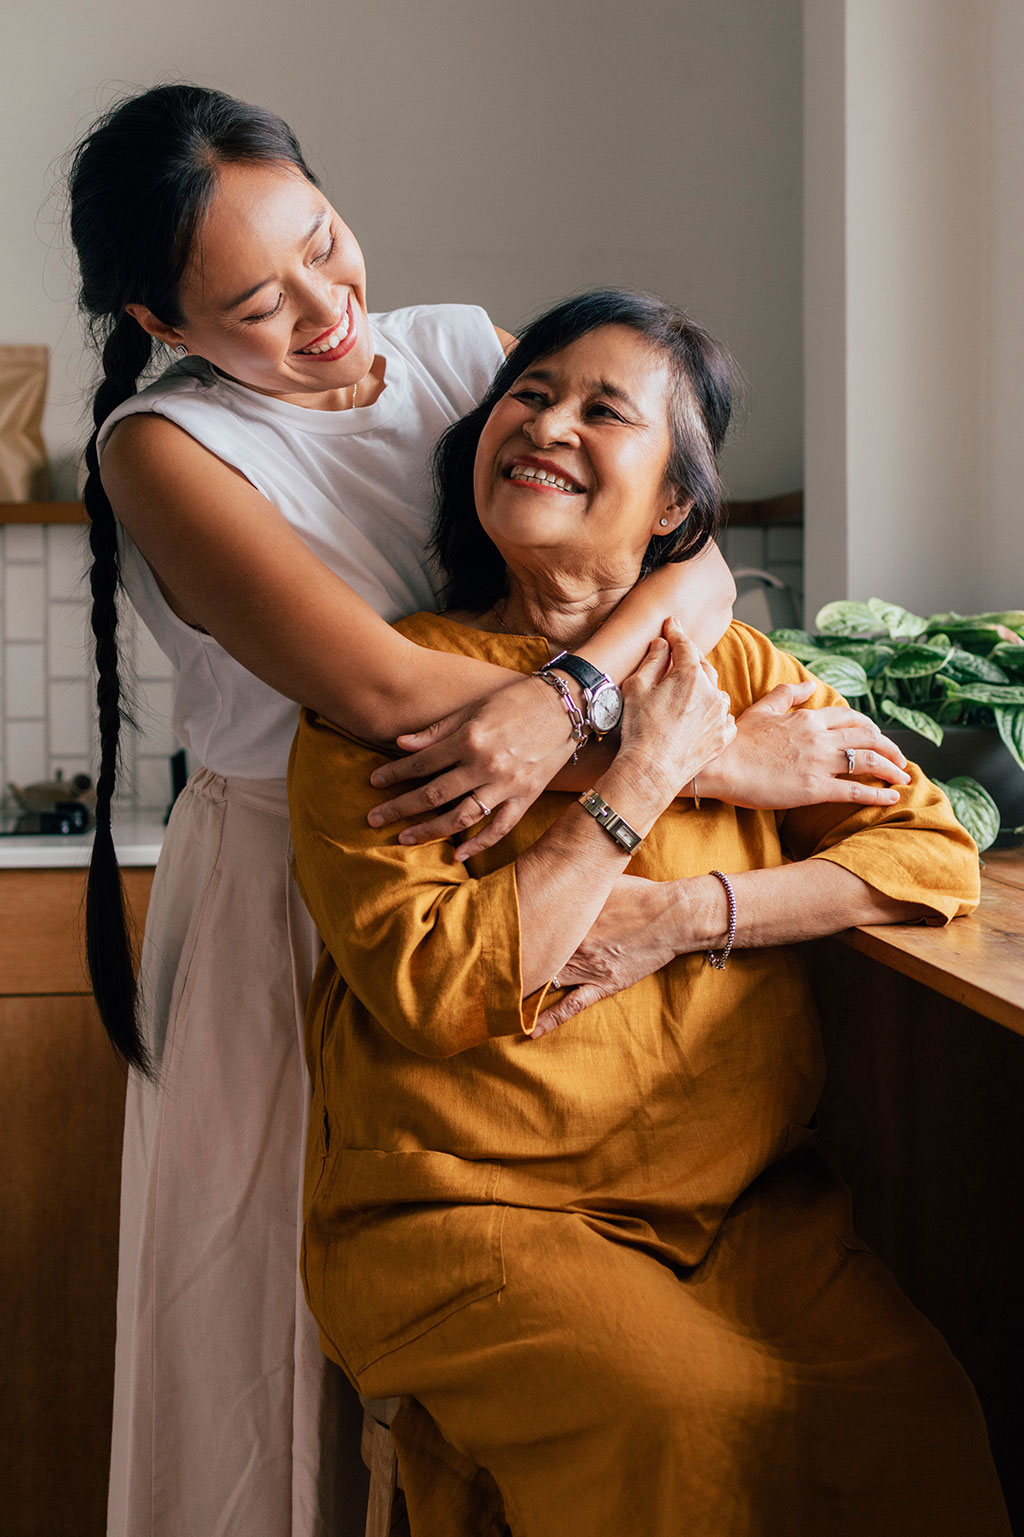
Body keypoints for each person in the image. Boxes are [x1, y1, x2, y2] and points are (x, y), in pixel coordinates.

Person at [69, 86, 911, 1535]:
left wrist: (562, 702)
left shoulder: (462, 349)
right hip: (302, 898)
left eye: (328, 245)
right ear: (159, 321)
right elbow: (396, 698)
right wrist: (699, 761)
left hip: (528, 863)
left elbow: (689, 552)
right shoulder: (161, 449)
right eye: (258, 305)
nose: (329, 312)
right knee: (269, 1363)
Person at [288, 290, 1011, 1537]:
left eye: (601, 409)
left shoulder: (731, 671)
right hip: (464, 1215)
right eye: (530, 391)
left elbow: (928, 851)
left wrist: (684, 913)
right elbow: (439, 984)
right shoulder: (388, 694)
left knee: (919, 1417)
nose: (546, 422)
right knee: (681, 1421)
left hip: (742, 1215)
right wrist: (636, 779)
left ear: (673, 504)